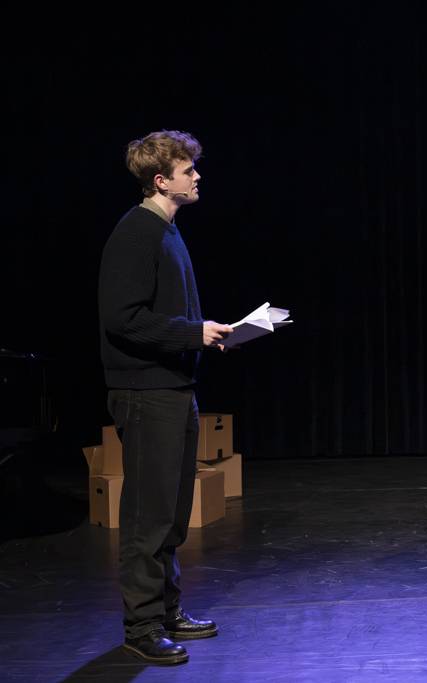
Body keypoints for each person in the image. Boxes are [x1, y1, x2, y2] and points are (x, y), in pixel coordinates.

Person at [98, 130, 234, 664]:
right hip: (145, 391)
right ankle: (141, 626)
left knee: (173, 513)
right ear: (161, 180)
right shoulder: (137, 232)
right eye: (187, 171)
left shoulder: (168, 231)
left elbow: (167, 315)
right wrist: (192, 333)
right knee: (147, 516)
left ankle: (167, 610)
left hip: (174, 388)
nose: (197, 177)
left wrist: (205, 334)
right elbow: (122, 318)